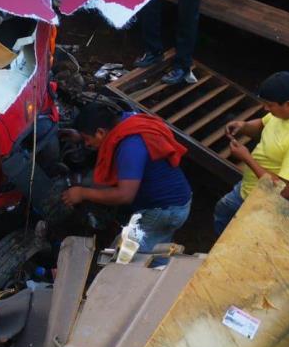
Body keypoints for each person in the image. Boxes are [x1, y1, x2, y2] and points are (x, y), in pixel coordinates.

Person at [61, 103, 192, 251]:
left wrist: (82, 193)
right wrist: (81, 135)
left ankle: (157, 264)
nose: (87, 143)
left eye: (87, 139)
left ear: (100, 132)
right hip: (175, 199)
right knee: (156, 244)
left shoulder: (130, 147)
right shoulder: (127, 121)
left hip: (163, 212)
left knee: (123, 258)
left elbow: (124, 196)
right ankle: (158, 247)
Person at [213, 72, 289, 235]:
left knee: (245, 238)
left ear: (288, 104)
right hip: (248, 188)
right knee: (223, 210)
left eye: (269, 105)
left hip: (265, 203)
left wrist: (246, 158)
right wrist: (243, 125)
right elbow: (262, 124)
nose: (265, 108)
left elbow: (284, 192)